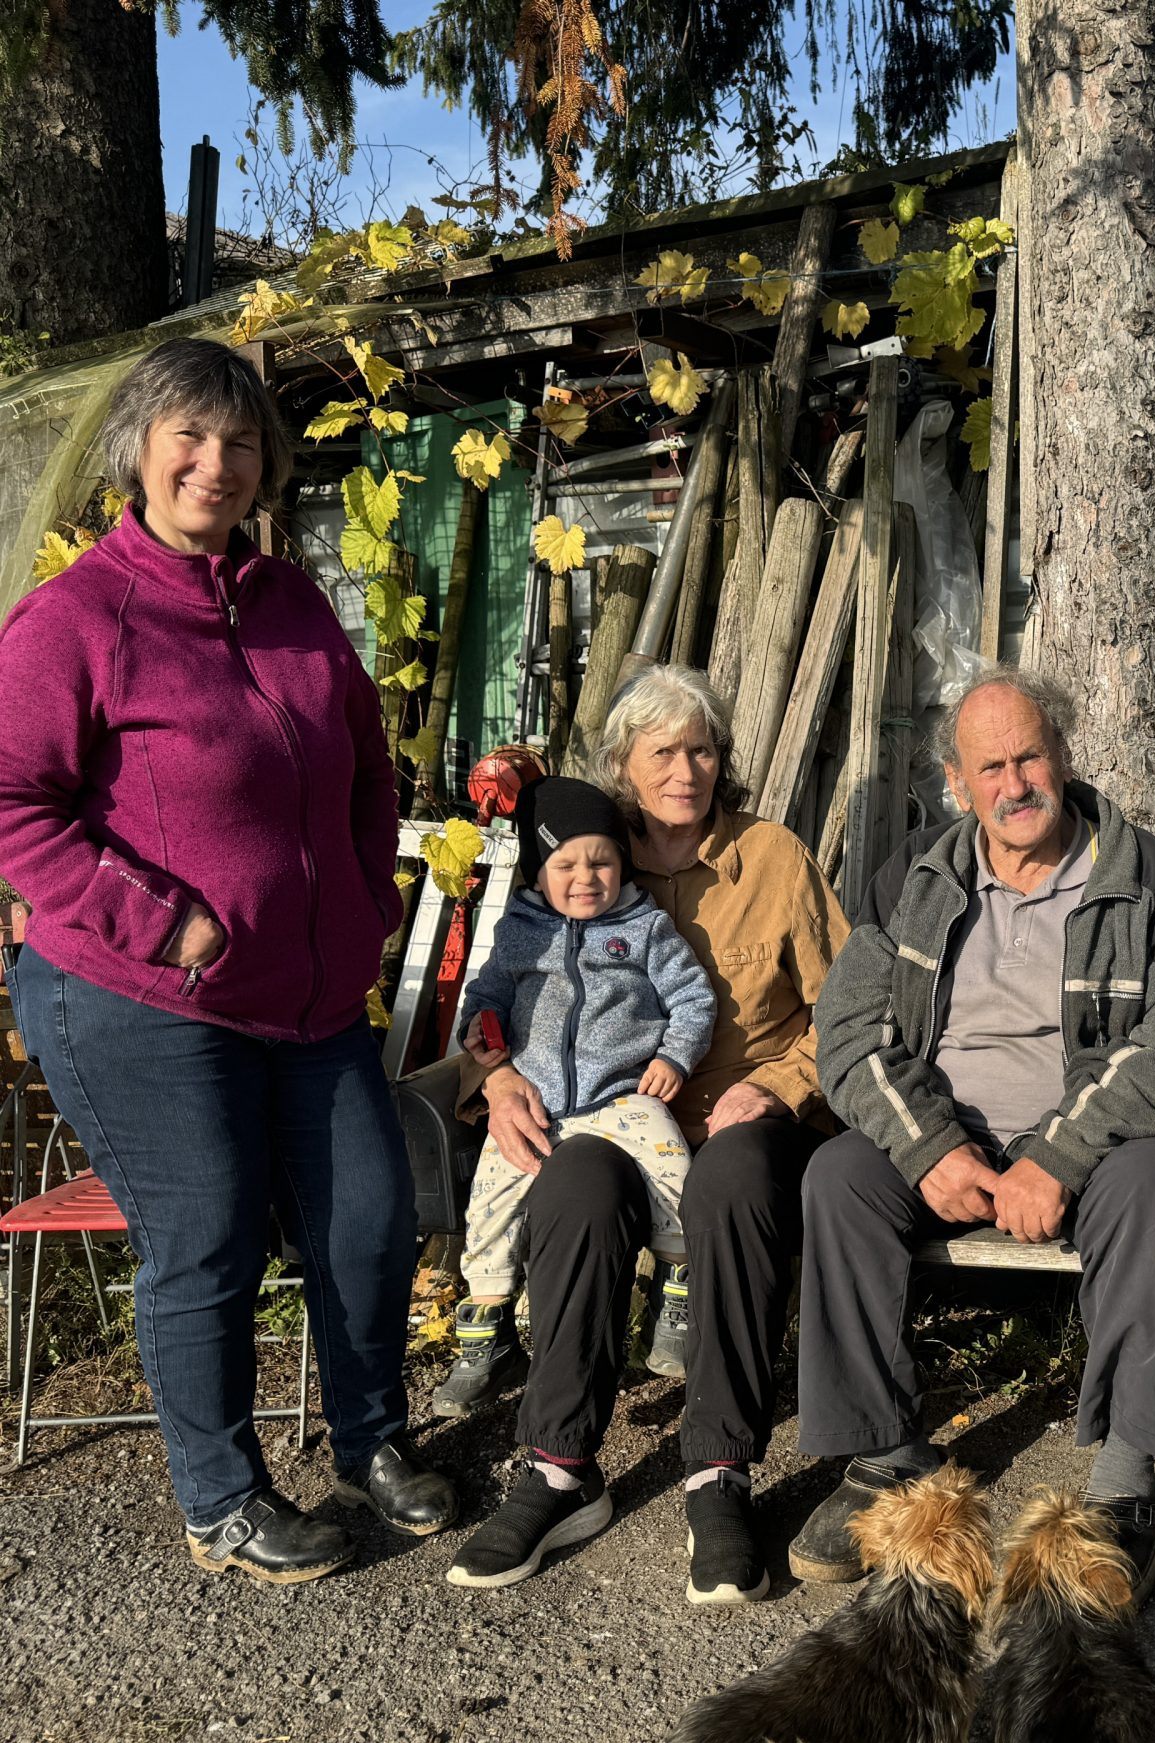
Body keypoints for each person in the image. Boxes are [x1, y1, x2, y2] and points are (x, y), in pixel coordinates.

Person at [0, 338, 453, 1584]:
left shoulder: (296, 605)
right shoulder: (76, 618)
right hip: (136, 993)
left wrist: (363, 905)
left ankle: (371, 1442)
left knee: (367, 1216)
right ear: (138, 449)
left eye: (241, 441)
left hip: (306, 994)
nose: (217, 462)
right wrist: (162, 921)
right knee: (206, 1240)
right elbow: (14, 804)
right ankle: (222, 1499)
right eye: (190, 437)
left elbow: (368, 770)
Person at [791, 668, 1155, 1601]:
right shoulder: (910, 880)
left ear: (1065, 757)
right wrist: (929, 1149)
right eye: (990, 766)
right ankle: (887, 1457)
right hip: (947, 1138)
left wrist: (1058, 1154)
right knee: (839, 1174)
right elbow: (849, 1036)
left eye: (1030, 756)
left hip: (1091, 1141)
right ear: (958, 783)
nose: (1014, 783)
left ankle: (1128, 1481)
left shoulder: (1147, 877)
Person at [443, 666, 847, 1600]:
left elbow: (852, 1008)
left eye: (702, 748)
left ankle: (718, 1471)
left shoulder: (774, 858)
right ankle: (560, 1466)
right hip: (610, 1120)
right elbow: (500, 996)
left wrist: (779, 1088)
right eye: (663, 751)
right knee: (576, 1181)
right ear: (625, 765)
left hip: (742, 1112)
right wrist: (496, 1080)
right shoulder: (577, 857)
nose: (686, 768)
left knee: (733, 1180)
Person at [446, 777, 715, 1590]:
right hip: (534, 1106)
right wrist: (488, 1051)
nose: (587, 879)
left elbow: (693, 998)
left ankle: (678, 1282)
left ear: (623, 866)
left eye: (602, 863)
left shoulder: (644, 928)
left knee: (675, 1170)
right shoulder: (521, 929)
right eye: (566, 866)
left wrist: (673, 1058)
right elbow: (484, 1000)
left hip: (620, 1099)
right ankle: (485, 1323)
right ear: (537, 872)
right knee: (492, 1198)